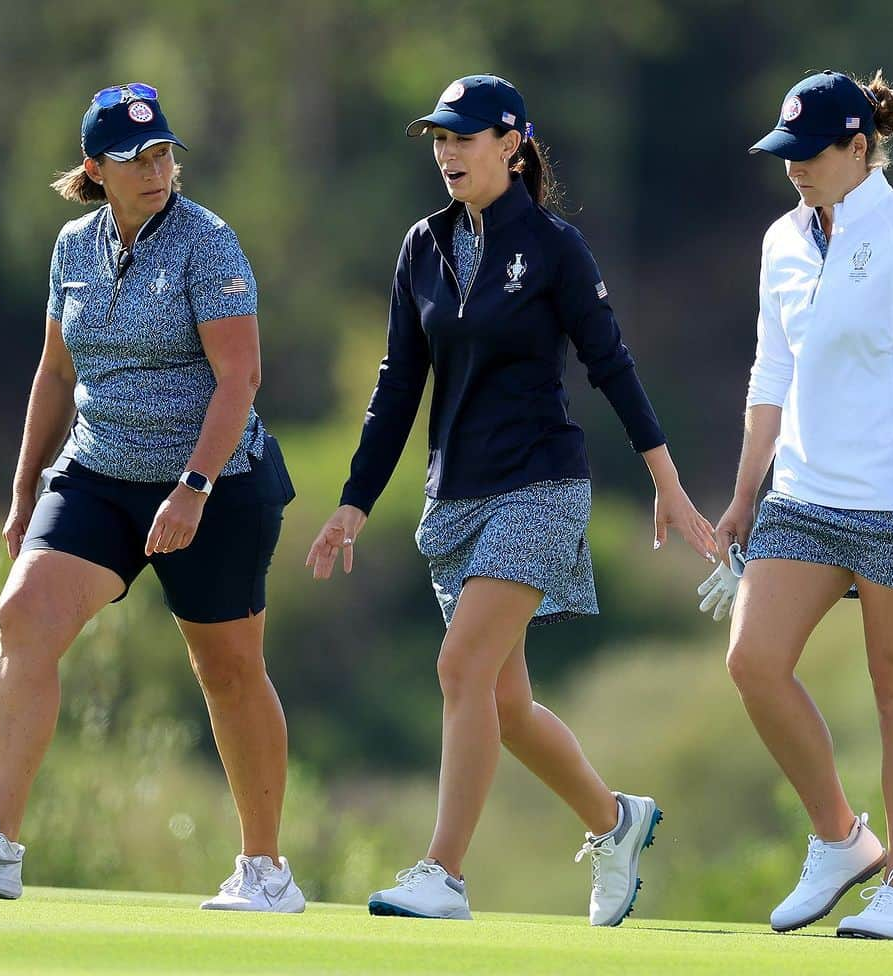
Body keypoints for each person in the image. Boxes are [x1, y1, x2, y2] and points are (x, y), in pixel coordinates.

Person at [306, 75, 717, 924]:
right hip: (454, 495)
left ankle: (442, 874)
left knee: (459, 666)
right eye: (439, 139)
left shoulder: (556, 248)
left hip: (541, 485)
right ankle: (616, 821)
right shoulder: (421, 246)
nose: (448, 153)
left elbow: (612, 364)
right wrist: (354, 500)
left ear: (513, 145)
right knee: (505, 703)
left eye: (465, 138)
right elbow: (397, 386)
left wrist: (666, 481)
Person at [0, 84, 302, 913]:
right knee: (22, 612)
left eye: (165, 153)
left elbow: (239, 376)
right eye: (137, 159)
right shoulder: (73, 246)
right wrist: (25, 486)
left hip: (216, 482)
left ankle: (266, 871)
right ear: (95, 169)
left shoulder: (208, 243)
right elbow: (56, 372)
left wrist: (193, 488)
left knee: (229, 671)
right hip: (99, 474)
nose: (157, 171)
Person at [718, 70, 893, 941]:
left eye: (809, 153)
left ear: (860, 149)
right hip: (804, 492)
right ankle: (841, 837)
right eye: (784, 153)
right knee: (753, 662)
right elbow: (770, 372)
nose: (793, 169)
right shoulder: (781, 240)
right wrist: (745, 493)